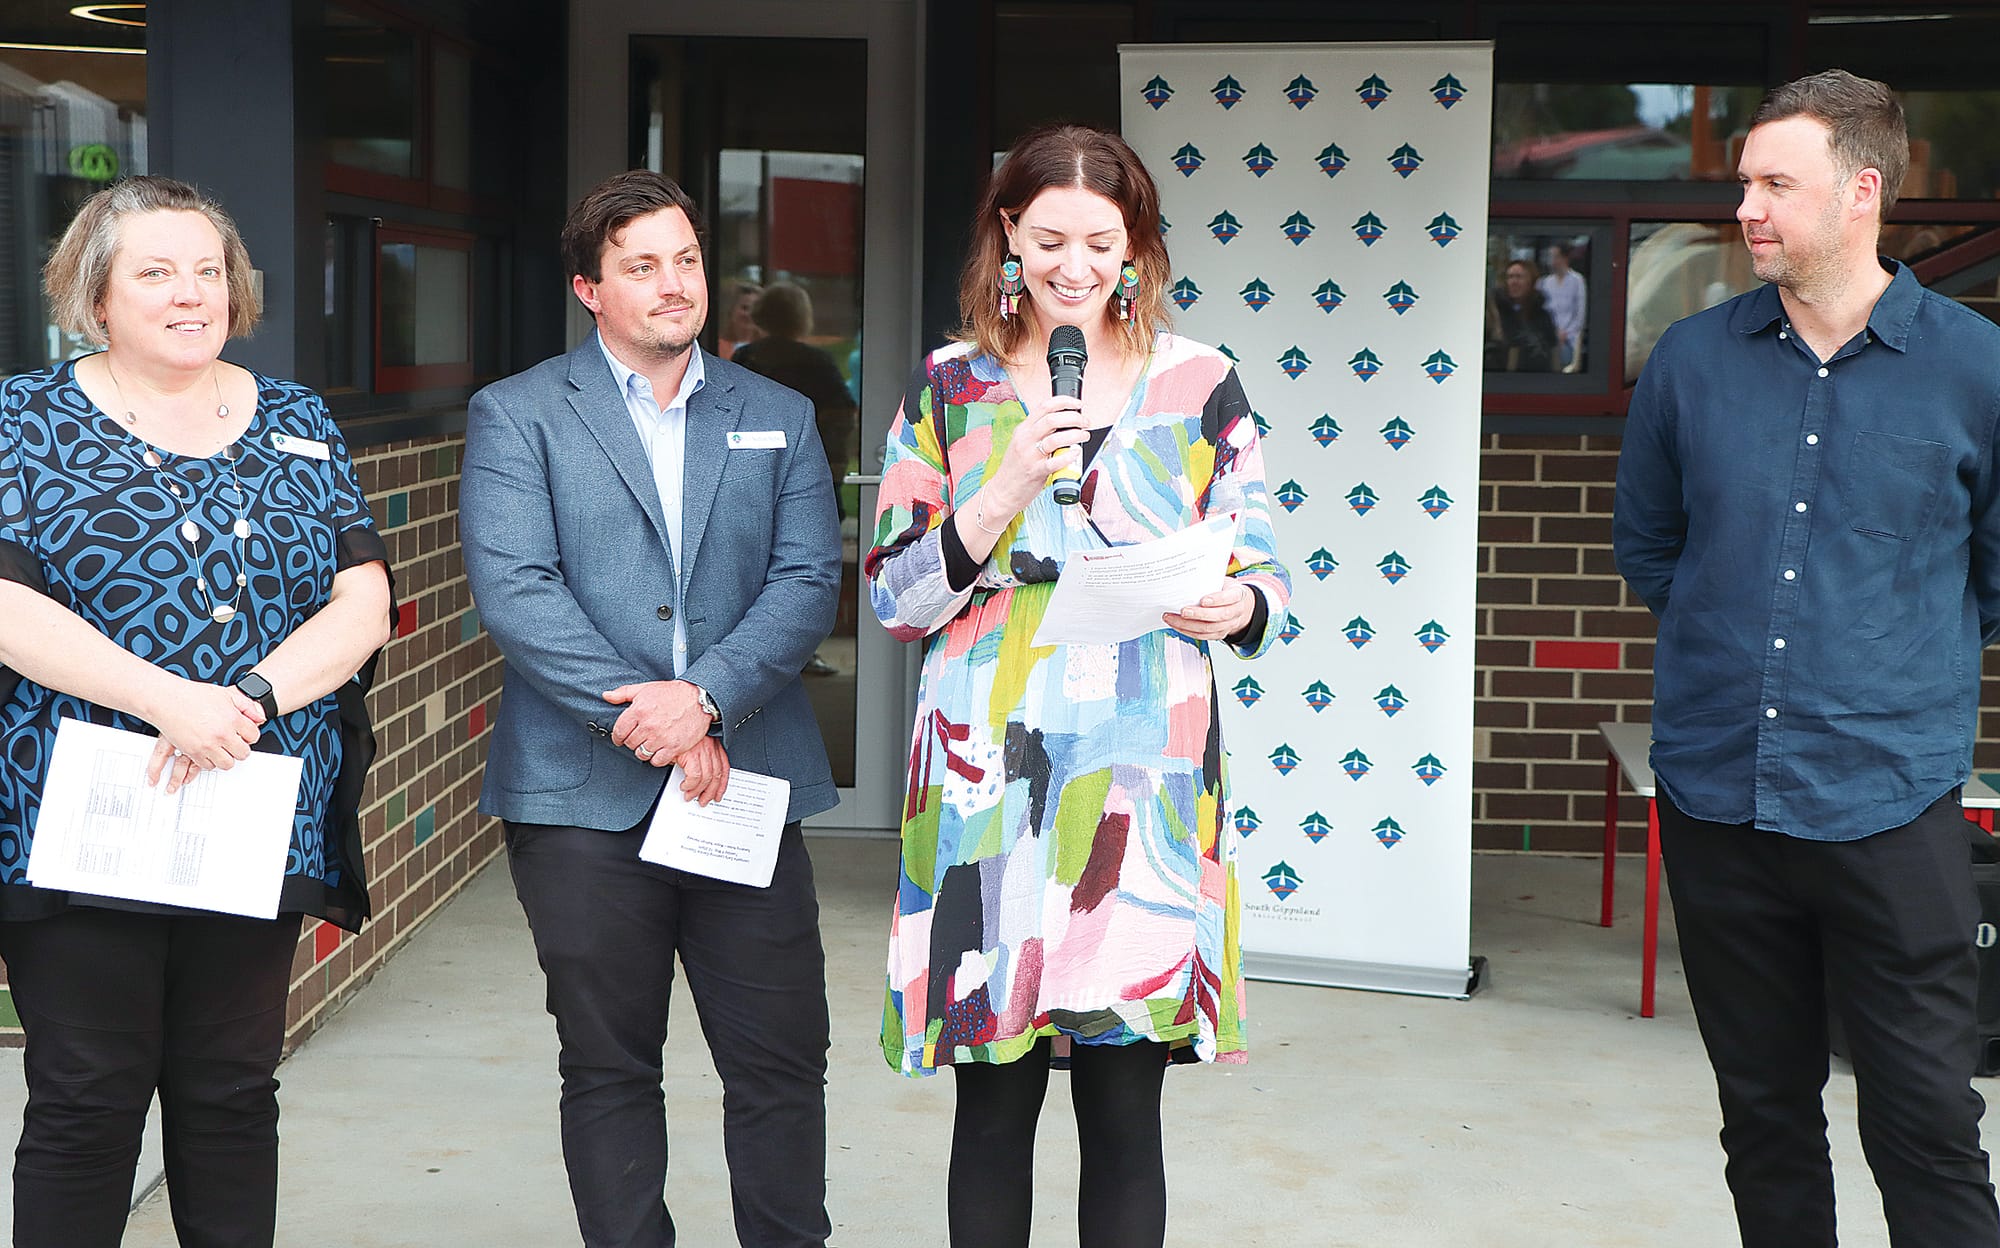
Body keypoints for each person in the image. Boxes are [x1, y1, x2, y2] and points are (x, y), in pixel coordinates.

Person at [865, 123, 1290, 1247]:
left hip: (1141, 783)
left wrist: (1234, 604)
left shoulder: (1200, 380)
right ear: (1007, 235)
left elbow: (1264, 567)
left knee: (1122, 1109)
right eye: (1047, 238)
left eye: (1099, 241)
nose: (1072, 266)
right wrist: (997, 489)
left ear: (1135, 245)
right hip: (982, 779)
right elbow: (894, 599)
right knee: (993, 1105)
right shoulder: (948, 389)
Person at [1614, 70, 2000, 1247]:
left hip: (1889, 803)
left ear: (1861, 191)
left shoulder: (1974, 368)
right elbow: (1650, 545)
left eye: (1776, 183)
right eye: (1744, 184)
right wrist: (1738, 649)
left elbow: (1987, 574)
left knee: (1924, 1123)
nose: (1746, 208)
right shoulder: (1689, 361)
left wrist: (1879, 659)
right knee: (1763, 1117)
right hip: (1719, 798)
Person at [0, 175, 393, 1246]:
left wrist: (253, 699)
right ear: (95, 295)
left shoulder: (299, 420)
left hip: (250, 801)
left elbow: (363, 597)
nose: (191, 293)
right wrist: (168, 700)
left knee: (230, 1092)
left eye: (208, 271)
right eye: (156, 272)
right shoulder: (21, 418)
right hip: (81, 812)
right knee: (87, 1096)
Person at [460, 169, 841, 1248]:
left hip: (746, 779)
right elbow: (517, 590)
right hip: (581, 796)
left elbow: (808, 579)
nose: (673, 285)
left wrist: (707, 700)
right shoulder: (518, 413)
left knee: (777, 1060)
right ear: (590, 287)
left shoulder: (777, 413)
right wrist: (651, 722)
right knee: (610, 1062)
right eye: (641, 267)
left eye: (685, 261)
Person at [734, 282, 859, 677]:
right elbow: (843, 415)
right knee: (804, 568)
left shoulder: (745, 357)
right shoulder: (816, 361)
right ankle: (800, 653)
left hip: (746, 476)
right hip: (809, 471)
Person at [1484, 258, 1560, 373]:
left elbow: (1553, 350)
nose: (1514, 282)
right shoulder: (1495, 312)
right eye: (1510, 277)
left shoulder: (1543, 316)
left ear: (1531, 281)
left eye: (1519, 277)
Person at [1536, 243, 1586, 370]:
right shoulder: (1544, 282)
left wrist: (1566, 332)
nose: (1552, 261)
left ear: (1565, 258)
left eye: (1556, 257)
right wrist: (1553, 332)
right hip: (1548, 334)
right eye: (1551, 257)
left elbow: (1580, 312)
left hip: (1570, 336)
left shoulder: (1577, 280)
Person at [718, 278, 764, 360]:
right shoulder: (716, 346)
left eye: (755, 309)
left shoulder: (765, 349)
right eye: (745, 308)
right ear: (731, 310)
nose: (749, 314)